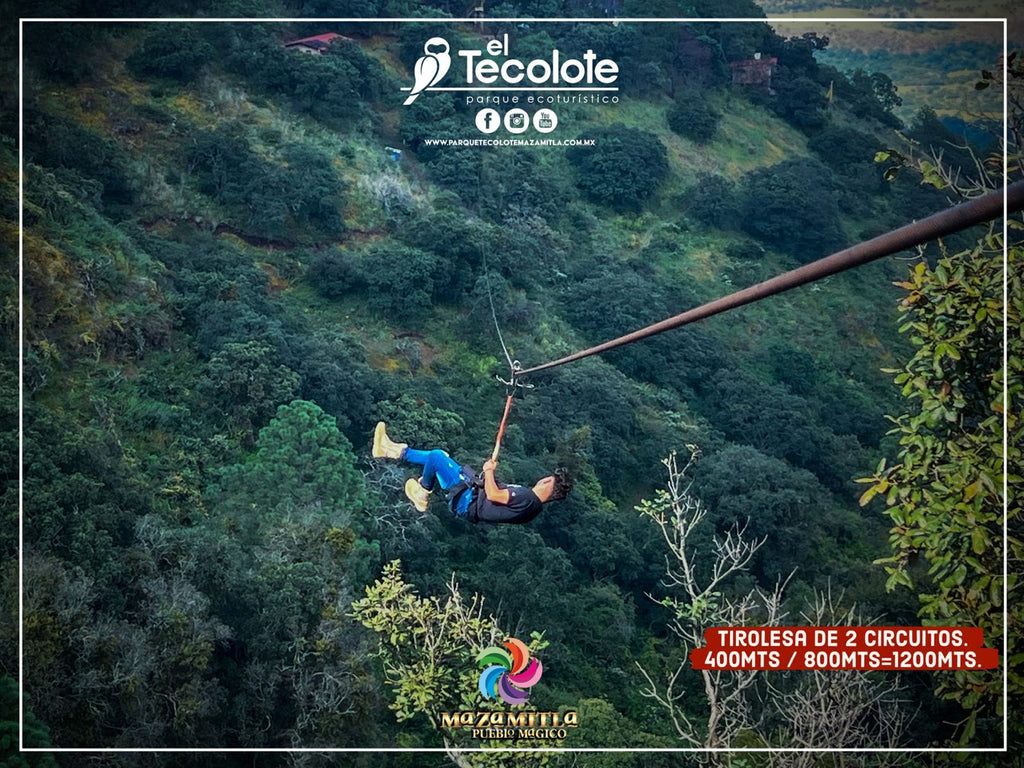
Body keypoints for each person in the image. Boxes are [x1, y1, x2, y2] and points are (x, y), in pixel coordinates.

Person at [371, 421, 572, 524]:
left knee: (435, 458)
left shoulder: (528, 499)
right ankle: (390, 449)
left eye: (547, 479)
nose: (542, 479)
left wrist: (489, 471)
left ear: (548, 485)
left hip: (467, 500)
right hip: (470, 494)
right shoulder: (530, 506)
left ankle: (422, 492)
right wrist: (488, 475)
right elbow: (495, 497)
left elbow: (494, 495)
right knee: (440, 455)